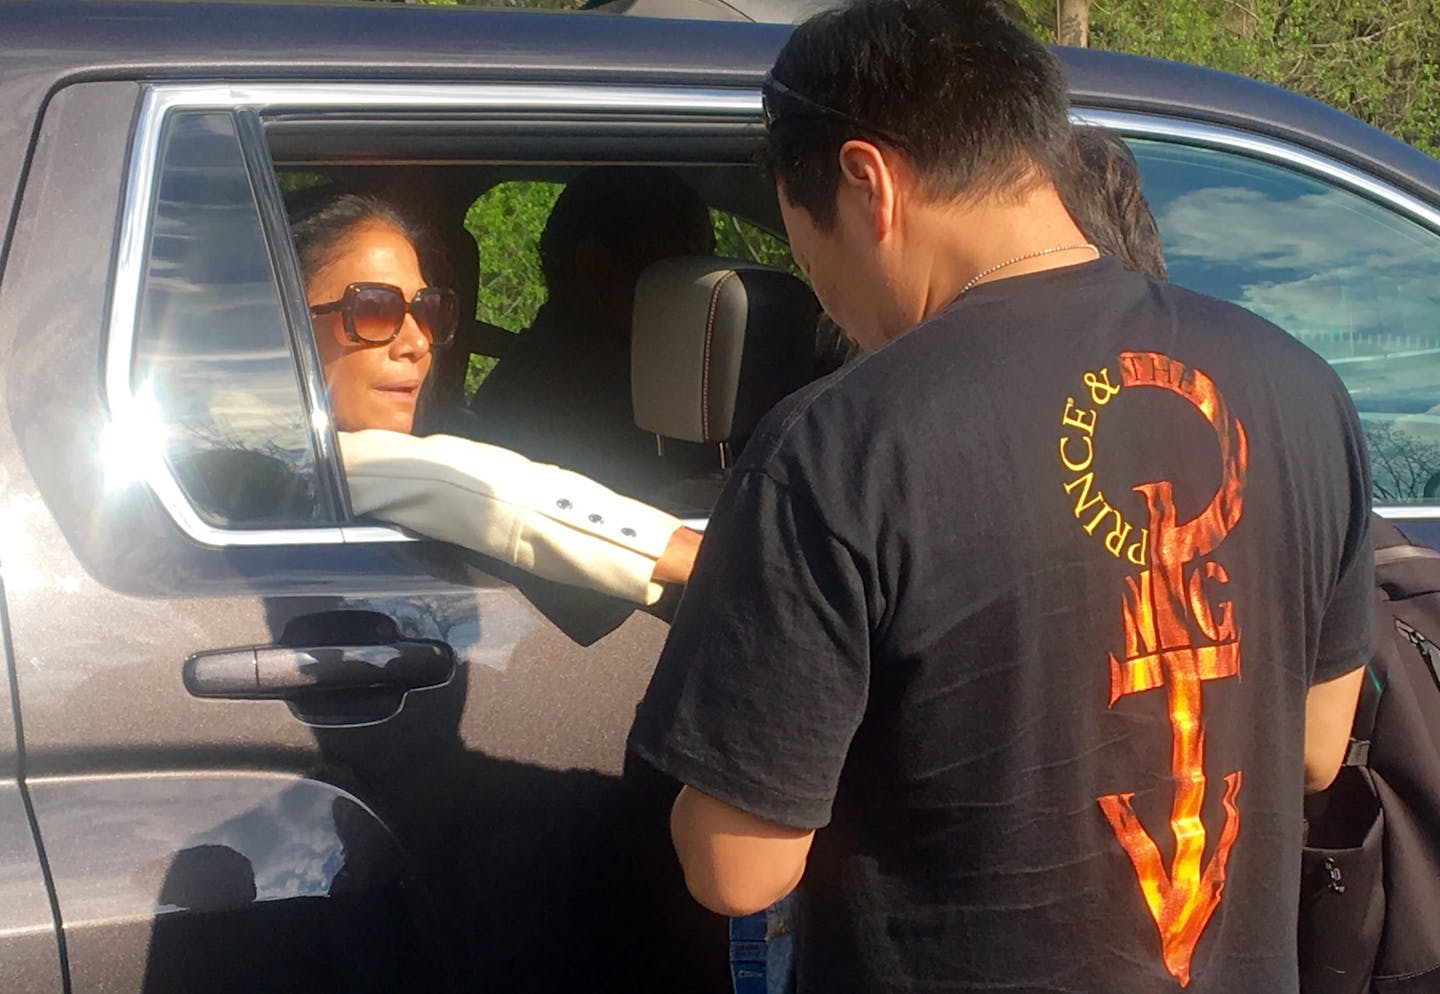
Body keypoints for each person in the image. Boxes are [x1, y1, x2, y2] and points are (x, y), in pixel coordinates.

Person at [626, 3, 1373, 992]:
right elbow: (1317, 749)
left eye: (800, 239)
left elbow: (738, 866)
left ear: (865, 181)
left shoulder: (841, 440)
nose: (816, 279)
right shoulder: (1299, 385)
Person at [289, 187, 701, 604]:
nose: (417, 342)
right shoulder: (273, 463)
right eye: (374, 307)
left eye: (428, 310)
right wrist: (707, 558)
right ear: (279, 322)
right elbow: (463, 485)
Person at [469, 166, 719, 496]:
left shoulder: (559, 373)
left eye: (708, 256)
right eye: (685, 255)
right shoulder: (566, 401)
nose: (704, 277)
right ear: (596, 265)